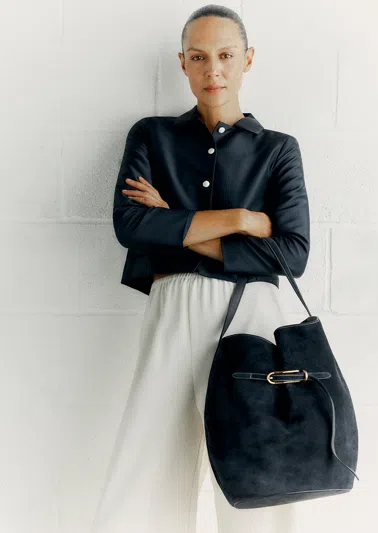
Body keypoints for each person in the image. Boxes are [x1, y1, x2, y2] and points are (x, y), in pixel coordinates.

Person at [90, 4, 310, 533]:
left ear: (247, 59)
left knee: (257, 467)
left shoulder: (278, 150)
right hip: (174, 306)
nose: (213, 70)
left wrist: (176, 222)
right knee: (149, 464)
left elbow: (292, 255)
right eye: (198, 57)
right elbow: (131, 225)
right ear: (183, 62)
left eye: (226, 55)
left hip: (252, 313)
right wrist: (241, 220)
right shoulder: (151, 136)